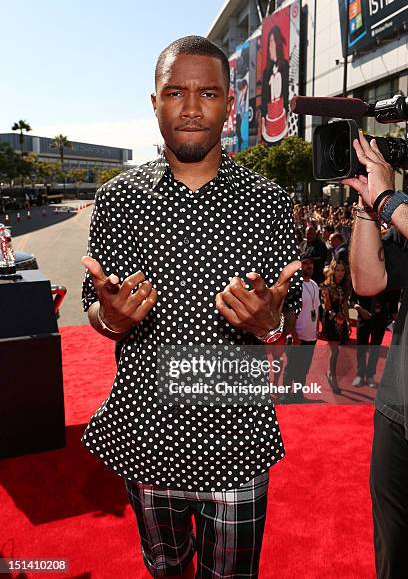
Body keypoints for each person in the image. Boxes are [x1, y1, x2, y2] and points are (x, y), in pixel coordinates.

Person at [80, 35, 302, 579]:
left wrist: (271, 321)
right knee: (165, 568)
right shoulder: (117, 200)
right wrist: (110, 318)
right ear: (154, 102)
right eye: (175, 92)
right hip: (145, 437)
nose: (192, 107)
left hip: (238, 441)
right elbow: (94, 304)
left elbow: (287, 312)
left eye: (208, 93)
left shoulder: (270, 201)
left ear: (230, 104)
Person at [342, 129, 408, 578]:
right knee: (393, 554)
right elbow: (368, 282)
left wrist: (388, 198)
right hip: (397, 410)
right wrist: (369, 208)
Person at [280, 248, 320, 403]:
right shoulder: (294, 286)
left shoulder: (315, 285)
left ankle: (298, 395)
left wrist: (316, 331)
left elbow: (315, 309)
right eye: (305, 263)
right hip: (296, 336)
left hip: (311, 336)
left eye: (311, 263)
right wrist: (294, 335)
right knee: (291, 367)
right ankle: (285, 395)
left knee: (304, 369)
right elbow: (290, 312)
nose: (309, 266)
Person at [351, 289, 399, 388]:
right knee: (361, 346)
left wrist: (395, 319)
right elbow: (352, 300)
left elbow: (393, 300)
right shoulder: (361, 276)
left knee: (375, 348)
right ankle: (360, 375)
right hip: (363, 316)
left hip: (381, 318)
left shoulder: (386, 278)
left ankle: (370, 375)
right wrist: (360, 309)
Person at [321, 260, 352, 394]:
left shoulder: (345, 286)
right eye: (338, 270)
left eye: (342, 270)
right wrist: (327, 297)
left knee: (336, 350)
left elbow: (345, 304)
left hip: (341, 319)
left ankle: (329, 372)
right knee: (334, 350)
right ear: (333, 271)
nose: (340, 273)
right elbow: (327, 308)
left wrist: (348, 320)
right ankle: (332, 377)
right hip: (330, 318)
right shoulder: (327, 286)